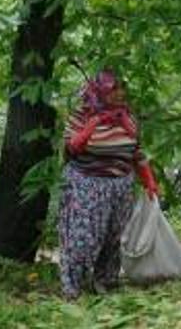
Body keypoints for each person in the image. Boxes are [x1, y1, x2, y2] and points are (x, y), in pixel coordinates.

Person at [58, 69, 159, 299]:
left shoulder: (127, 118)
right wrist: (93, 124)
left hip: (120, 186)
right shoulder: (81, 115)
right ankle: (72, 286)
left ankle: (105, 282)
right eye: (114, 89)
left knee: (113, 238)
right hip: (87, 184)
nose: (120, 93)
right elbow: (72, 147)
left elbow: (137, 152)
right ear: (100, 91)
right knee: (84, 237)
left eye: (122, 88)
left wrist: (149, 182)